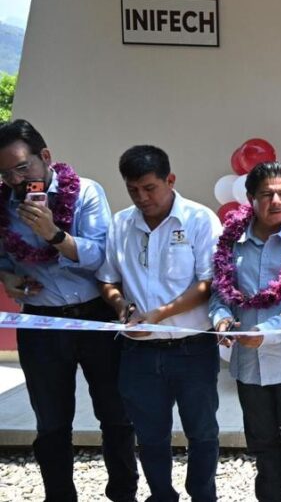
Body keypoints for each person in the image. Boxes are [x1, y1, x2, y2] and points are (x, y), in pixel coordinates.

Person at [0, 119, 137, 502]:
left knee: (115, 414)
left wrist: (53, 235)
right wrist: (6, 277)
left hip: (96, 315)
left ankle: (123, 493)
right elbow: (3, 257)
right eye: (6, 172)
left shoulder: (87, 193)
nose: (15, 179)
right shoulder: (3, 204)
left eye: (22, 167)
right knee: (52, 421)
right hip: (40, 322)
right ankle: (59, 495)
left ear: (45, 157)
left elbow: (100, 256)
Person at [97, 145, 223, 502]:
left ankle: (203, 495)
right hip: (138, 352)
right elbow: (107, 279)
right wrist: (121, 305)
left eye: (150, 187)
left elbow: (208, 282)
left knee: (202, 432)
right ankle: (161, 495)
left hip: (192, 347)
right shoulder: (122, 223)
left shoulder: (200, 220)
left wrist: (159, 314)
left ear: (170, 180)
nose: (142, 197)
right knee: (150, 435)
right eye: (133, 189)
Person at [209, 162, 281, 502]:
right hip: (249, 366)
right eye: (267, 194)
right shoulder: (232, 240)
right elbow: (221, 292)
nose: (276, 200)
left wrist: (267, 332)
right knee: (263, 449)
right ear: (250, 198)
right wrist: (220, 318)